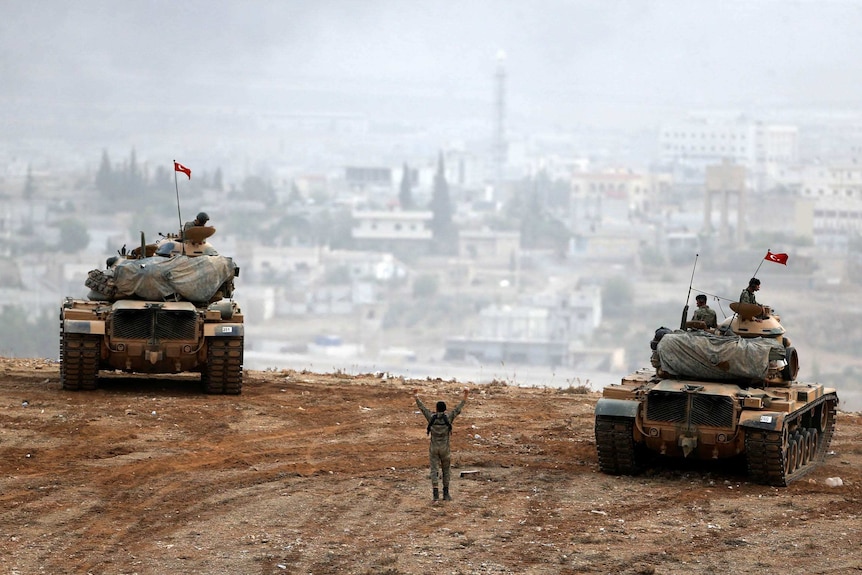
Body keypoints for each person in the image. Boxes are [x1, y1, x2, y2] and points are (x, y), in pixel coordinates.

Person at [413, 388, 468, 502]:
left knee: (434, 470)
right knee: (446, 470)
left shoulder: (431, 418)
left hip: (433, 448)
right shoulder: (448, 418)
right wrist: (465, 395)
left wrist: (416, 395)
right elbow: (458, 408)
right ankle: (446, 493)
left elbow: (422, 408)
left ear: (436, 409)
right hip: (445, 449)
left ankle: (435, 494)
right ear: (445, 409)